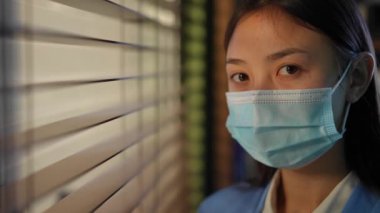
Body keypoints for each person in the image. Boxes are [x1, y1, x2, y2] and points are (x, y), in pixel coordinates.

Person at [199, 0, 380, 212]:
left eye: (289, 69)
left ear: (356, 78)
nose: (257, 100)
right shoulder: (216, 208)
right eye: (241, 76)